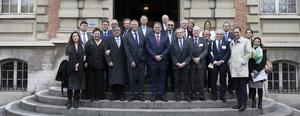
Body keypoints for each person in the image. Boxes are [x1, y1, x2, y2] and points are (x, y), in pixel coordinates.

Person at [146, 22, 170, 102]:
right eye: (155, 27)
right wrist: (155, 56)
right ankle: (154, 95)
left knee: (163, 79)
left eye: (158, 27)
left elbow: (168, 48)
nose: (157, 28)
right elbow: (147, 48)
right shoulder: (149, 37)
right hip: (153, 61)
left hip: (163, 61)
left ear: (161, 28)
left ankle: (163, 95)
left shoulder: (165, 37)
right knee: (154, 79)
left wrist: (161, 56)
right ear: (153, 28)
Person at [229, 27, 252, 111]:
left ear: (240, 32)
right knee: (237, 88)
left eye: (237, 32)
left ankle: (243, 104)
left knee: (243, 88)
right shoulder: (232, 42)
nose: (235, 34)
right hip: (234, 68)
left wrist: (242, 61)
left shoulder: (246, 41)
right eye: (234, 33)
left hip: (242, 68)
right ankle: (239, 103)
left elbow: (249, 53)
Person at [124, 20, 146, 102]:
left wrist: (143, 57)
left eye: (135, 24)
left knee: (141, 79)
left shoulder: (141, 35)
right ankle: (132, 95)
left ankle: (141, 95)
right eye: (132, 25)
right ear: (130, 25)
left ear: (138, 25)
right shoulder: (127, 36)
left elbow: (144, 47)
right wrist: (131, 60)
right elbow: (127, 50)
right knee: (132, 79)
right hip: (131, 61)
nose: (134, 26)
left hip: (141, 60)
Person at [104, 26, 127, 101]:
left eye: (118, 30)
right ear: (113, 32)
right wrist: (109, 61)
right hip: (112, 63)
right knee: (113, 80)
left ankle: (121, 95)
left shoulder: (124, 40)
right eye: (115, 30)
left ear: (120, 32)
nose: (116, 31)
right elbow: (105, 52)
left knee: (121, 80)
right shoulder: (108, 40)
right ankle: (114, 94)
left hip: (122, 63)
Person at [65, 32, 86, 109]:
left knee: (78, 86)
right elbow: (67, 58)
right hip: (71, 69)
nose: (75, 37)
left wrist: (78, 65)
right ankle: (69, 101)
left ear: (78, 37)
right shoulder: (68, 47)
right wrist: (74, 66)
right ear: (72, 37)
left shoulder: (82, 46)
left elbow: (84, 57)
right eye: (74, 36)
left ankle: (75, 101)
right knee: (70, 87)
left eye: (76, 36)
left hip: (80, 69)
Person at [171, 28, 192, 102]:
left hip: (185, 66)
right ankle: (177, 96)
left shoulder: (188, 43)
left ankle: (186, 96)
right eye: (178, 33)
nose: (179, 34)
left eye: (180, 32)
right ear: (176, 35)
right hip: (176, 66)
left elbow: (190, 55)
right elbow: (172, 55)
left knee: (186, 82)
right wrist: (177, 63)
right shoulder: (173, 43)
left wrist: (184, 63)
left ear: (183, 33)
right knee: (177, 82)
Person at [85, 28, 106, 102]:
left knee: (99, 81)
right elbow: (86, 53)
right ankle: (92, 95)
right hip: (91, 65)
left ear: (100, 34)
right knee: (92, 80)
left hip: (101, 65)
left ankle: (99, 95)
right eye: (95, 33)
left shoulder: (104, 42)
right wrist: (86, 62)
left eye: (98, 34)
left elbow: (106, 53)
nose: (96, 35)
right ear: (93, 34)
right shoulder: (89, 42)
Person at [208, 29, 230, 102]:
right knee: (213, 80)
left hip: (223, 64)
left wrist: (222, 61)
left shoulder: (226, 43)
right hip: (214, 64)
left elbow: (227, 53)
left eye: (220, 34)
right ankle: (214, 95)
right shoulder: (211, 43)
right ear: (216, 35)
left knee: (223, 80)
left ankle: (222, 95)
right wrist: (214, 61)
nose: (219, 36)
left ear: (223, 35)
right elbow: (209, 54)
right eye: (218, 34)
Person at [188, 26, 208, 101]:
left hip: (201, 63)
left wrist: (199, 58)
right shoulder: (188, 40)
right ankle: (193, 96)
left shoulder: (203, 40)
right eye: (195, 30)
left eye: (197, 30)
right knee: (192, 81)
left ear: (199, 32)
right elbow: (187, 50)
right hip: (192, 63)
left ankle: (202, 96)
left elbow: (206, 50)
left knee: (201, 81)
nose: (196, 32)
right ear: (192, 32)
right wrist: (193, 58)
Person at [249, 37, 267, 109]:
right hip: (252, 71)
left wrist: (258, 70)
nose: (256, 43)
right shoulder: (250, 50)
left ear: (260, 43)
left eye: (258, 42)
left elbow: (264, 61)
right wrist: (253, 70)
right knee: (252, 88)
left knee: (259, 88)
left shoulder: (263, 51)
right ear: (253, 42)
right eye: (255, 41)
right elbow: (249, 61)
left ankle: (260, 102)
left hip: (260, 71)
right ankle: (253, 102)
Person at [78, 21, 93, 100]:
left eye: (86, 26)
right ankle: (78, 93)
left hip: (88, 61)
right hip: (78, 60)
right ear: (80, 26)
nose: (84, 27)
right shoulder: (76, 35)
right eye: (83, 25)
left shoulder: (90, 36)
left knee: (87, 78)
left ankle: (85, 93)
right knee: (79, 77)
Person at [138, 15, 153, 85]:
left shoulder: (150, 29)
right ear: (140, 21)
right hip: (140, 50)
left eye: (145, 19)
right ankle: (140, 79)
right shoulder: (137, 29)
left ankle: (147, 78)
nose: (144, 20)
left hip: (148, 50)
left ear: (147, 21)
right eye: (142, 19)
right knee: (140, 65)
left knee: (149, 65)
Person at [223, 22, 235, 94]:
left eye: (227, 26)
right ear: (223, 27)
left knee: (231, 73)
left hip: (230, 57)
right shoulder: (220, 35)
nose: (226, 27)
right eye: (225, 26)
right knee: (223, 74)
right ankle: (223, 87)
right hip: (222, 57)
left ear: (229, 28)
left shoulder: (232, 35)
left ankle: (230, 87)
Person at [165, 20, 176, 92]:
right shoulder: (163, 33)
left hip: (174, 56)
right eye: (168, 25)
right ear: (166, 26)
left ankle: (173, 88)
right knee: (165, 73)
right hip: (165, 56)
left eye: (171, 25)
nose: (170, 26)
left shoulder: (176, 33)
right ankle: (165, 88)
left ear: (174, 26)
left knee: (173, 74)